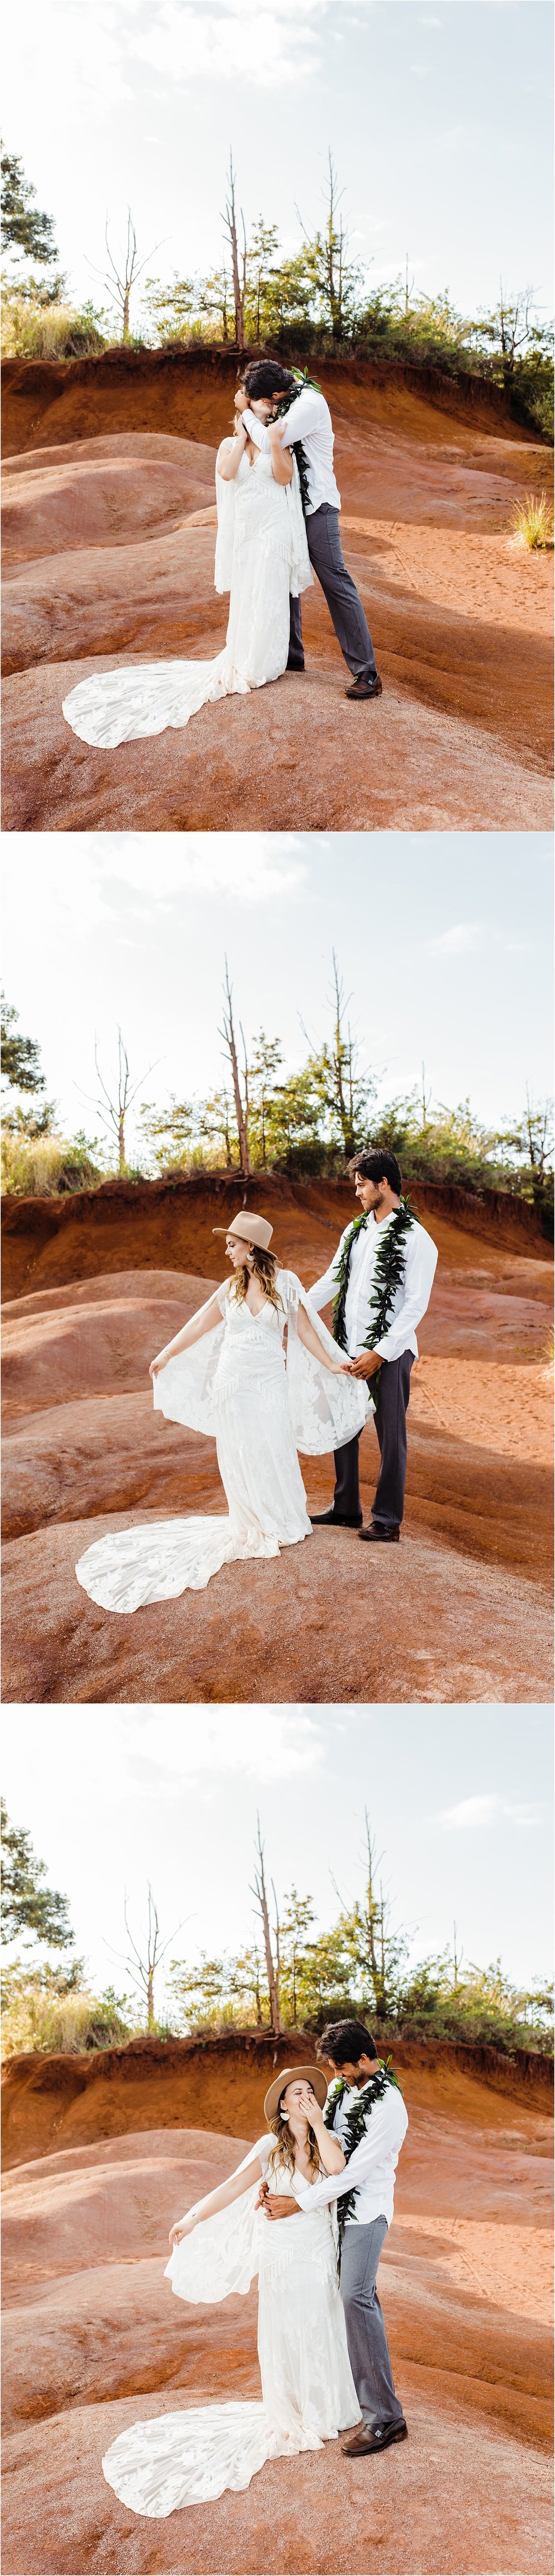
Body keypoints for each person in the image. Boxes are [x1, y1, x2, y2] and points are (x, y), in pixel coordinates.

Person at [74, 1211, 367, 1612]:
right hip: (231, 1383)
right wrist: (166, 1354)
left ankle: (280, 1518)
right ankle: (250, 1521)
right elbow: (199, 1326)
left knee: (272, 1446)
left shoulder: (286, 1283)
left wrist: (333, 1364)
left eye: (233, 1244)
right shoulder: (230, 1288)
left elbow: (303, 1331)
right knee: (241, 1450)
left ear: (252, 1247)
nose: (228, 1251)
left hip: (268, 1381)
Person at [100, 2067, 360, 2517]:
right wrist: (191, 2218)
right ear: (281, 2105)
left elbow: (338, 2171)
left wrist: (319, 2124)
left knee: (320, 2322)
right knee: (287, 2327)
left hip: (317, 2250)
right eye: (295, 2094)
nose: (304, 2097)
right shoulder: (268, 2148)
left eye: (309, 2092)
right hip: (281, 2253)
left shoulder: (327, 2139)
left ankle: (327, 2406)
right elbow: (230, 2188)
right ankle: (292, 2409)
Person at [61, 391, 312, 750]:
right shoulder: (231, 443)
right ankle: (246, 658)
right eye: (262, 406)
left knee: (268, 591)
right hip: (246, 530)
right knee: (247, 594)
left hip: (272, 527)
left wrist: (272, 443)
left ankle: (268, 661)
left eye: (270, 408)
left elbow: (286, 478)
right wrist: (242, 438)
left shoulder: (277, 440)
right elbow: (227, 474)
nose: (268, 410)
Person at [258, 2018, 408, 2457]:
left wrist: (297, 2204)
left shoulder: (389, 2107)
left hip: (365, 2215)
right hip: (330, 2215)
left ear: (364, 2060)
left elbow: (355, 2172)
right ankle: (346, 2399)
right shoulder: (345, 2092)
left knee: (355, 2299)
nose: (337, 2077)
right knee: (348, 2300)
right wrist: (278, 2182)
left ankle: (386, 2419)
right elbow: (330, 2146)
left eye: (342, 2069)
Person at [309, 1150, 438, 1542]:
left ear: (384, 1184)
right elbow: (333, 1279)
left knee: (390, 1435)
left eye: (362, 1184)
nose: (357, 1192)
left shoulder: (417, 1239)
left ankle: (387, 1521)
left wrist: (381, 1352)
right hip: (346, 1346)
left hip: (392, 1353)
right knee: (343, 1425)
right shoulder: (355, 1231)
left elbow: (416, 1304)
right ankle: (346, 1508)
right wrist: (289, 1311)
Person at [238, 357, 382, 700]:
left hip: (318, 506)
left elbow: (267, 437)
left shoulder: (308, 404)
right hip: (290, 506)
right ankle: (291, 656)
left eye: (265, 400)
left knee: (335, 581)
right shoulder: (289, 399)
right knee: (285, 574)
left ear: (277, 392)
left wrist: (245, 412)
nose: (266, 406)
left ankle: (367, 672)